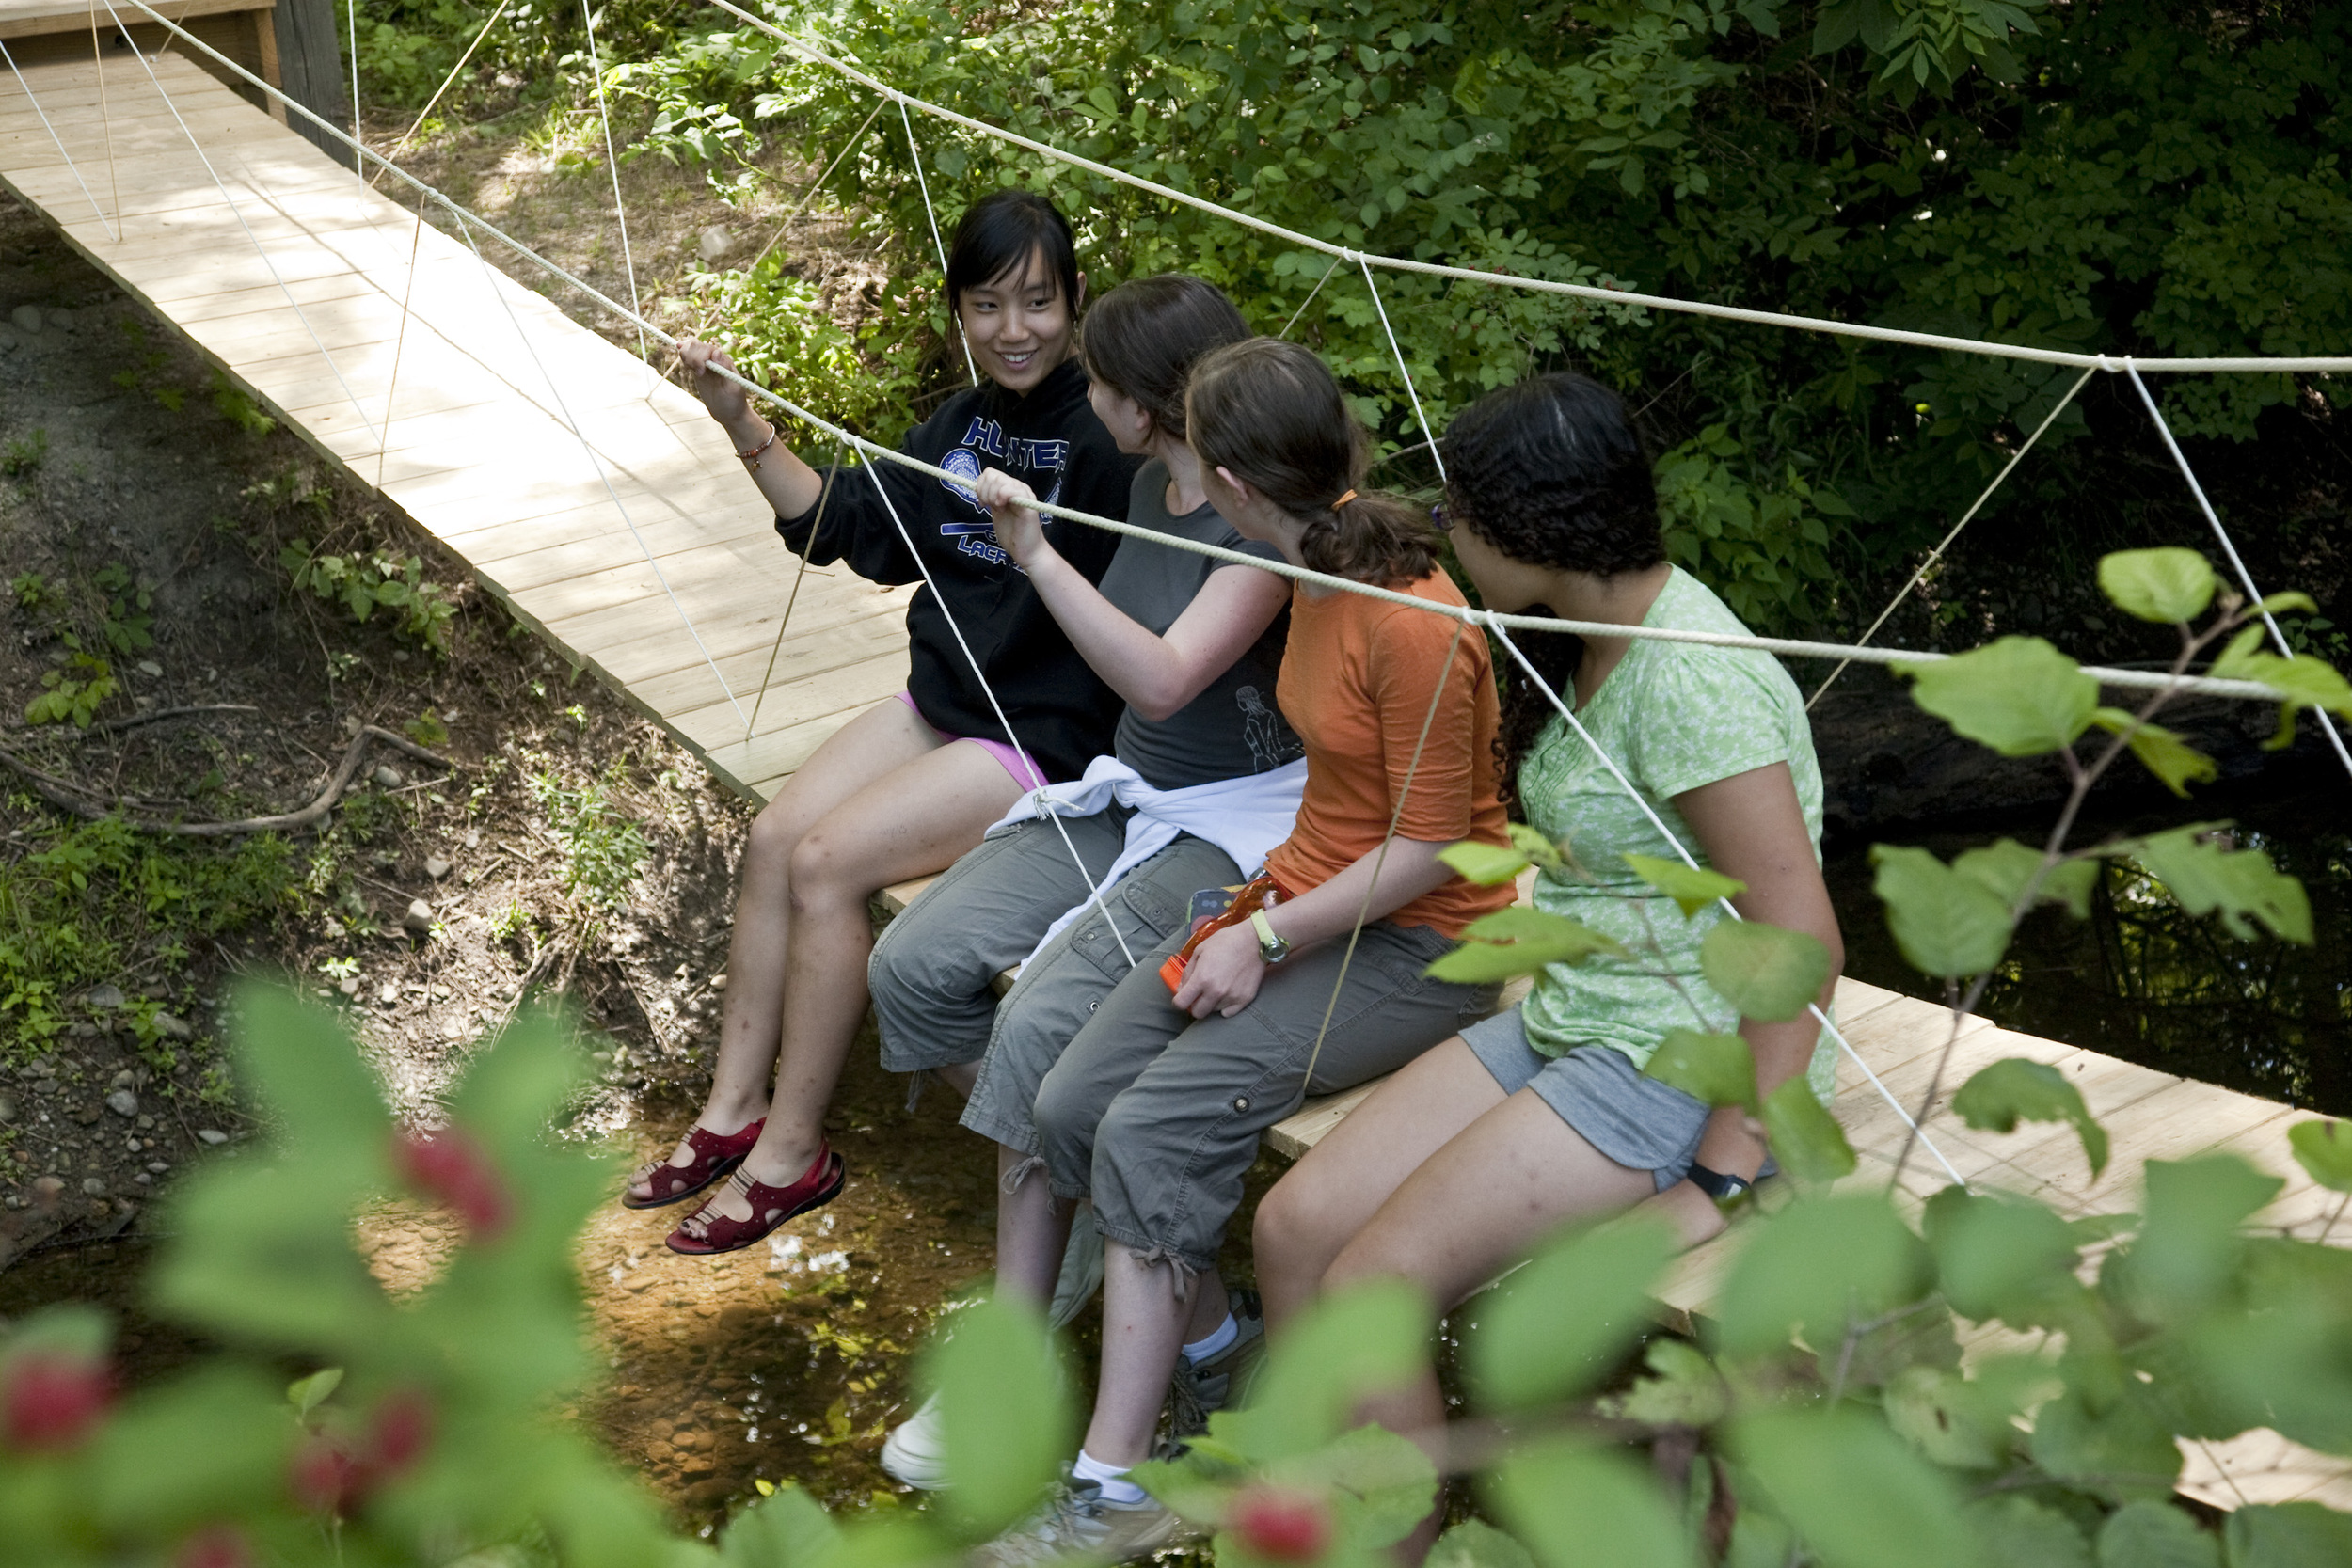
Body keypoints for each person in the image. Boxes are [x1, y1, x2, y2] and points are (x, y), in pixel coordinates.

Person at [1248, 372, 1846, 1561]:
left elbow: (1803, 936)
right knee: (1293, 1226)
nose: (1448, 532)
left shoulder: (1689, 684)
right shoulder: (1590, 629)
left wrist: (1729, 1167)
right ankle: (1321, 1509)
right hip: (1579, 1008)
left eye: (1463, 511)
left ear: (1532, 527)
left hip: (1668, 1052)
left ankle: (1400, 1538)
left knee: (1374, 1284)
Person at [969, 339, 1517, 1567]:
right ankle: (1219, 1359)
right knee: (1067, 1102)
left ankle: (1113, 1490)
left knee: (1152, 1131)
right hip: (1302, 888)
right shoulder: (1292, 559)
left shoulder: (1411, 615)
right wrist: (1257, 913)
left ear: (1224, 478)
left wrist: (1264, 936)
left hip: (1425, 937)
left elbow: (1432, 849)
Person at [622, 190, 1139, 1255]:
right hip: (941, 702)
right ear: (958, 311)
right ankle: (733, 1112)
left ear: (1074, 299)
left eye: (1038, 301)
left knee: (825, 861)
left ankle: (795, 1150)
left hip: (1039, 737)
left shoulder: (1108, 439)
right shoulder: (958, 426)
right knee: (772, 838)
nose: (1014, 328)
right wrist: (737, 417)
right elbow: (840, 526)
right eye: (988, 303)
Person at [862, 274, 1304, 1489]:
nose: (1082, 396)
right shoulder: (1132, 479)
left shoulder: (1256, 522)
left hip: (1234, 820)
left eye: (1100, 381)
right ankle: (1138, 1258)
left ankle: (1015, 1349)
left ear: (1152, 403)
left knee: (1049, 1053)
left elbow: (1162, 678)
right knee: (912, 968)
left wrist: (1034, 552)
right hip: (1127, 790)